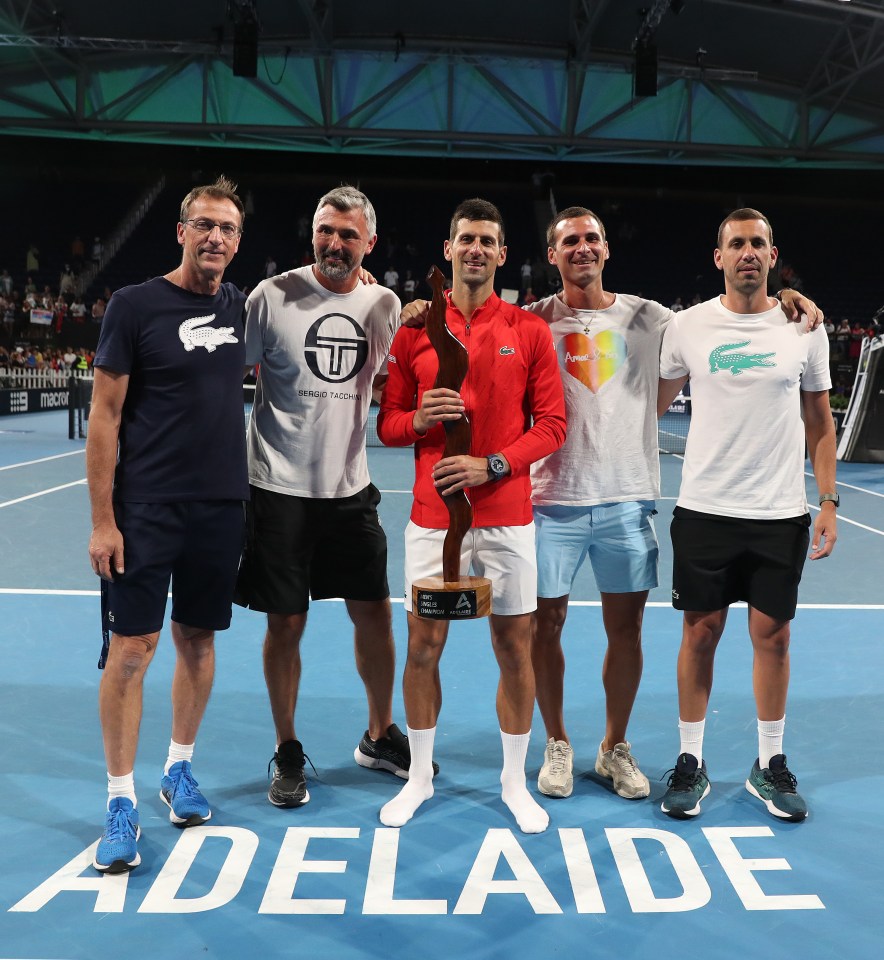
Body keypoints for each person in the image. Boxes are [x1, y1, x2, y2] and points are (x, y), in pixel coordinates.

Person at [527, 206, 823, 803]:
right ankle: (557, 741)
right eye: (569, 242)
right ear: (551, 255)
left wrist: (793, 295)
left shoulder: (657, 319)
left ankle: (614, 748)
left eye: (591, 239)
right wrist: (415, 306)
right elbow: (468, 318)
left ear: (607, 248)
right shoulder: (528, 321)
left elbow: (745, 307)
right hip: (549, 499)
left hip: (626, 497)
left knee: (627, 630)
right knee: (543, 627)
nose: (581, 249)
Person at [376, 198, 567, 834]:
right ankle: (422, 776)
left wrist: (495, 466)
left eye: (488, 240)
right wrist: (420, 421)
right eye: (466, 240)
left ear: (503, 254)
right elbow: (389, 422)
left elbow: (553, 425)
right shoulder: (414, 330)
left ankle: (514, 781)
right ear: (449, 249)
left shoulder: (528, 330)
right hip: (432, 519)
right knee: (423, 648)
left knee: (516, 649)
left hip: (509, 517)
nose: (477, 250)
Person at [86, 176, 248, 873]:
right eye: (205, 225)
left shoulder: (244, 306)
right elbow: (104, 418)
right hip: (146, 510)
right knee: (131, 651)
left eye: (229, 229)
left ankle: (178, 768)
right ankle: (120, 799)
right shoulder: (134, 305)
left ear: (238, 243)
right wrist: (103, 521)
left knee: (199, 641)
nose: (216, 237)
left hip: (220, 508)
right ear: (180, 231)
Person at [657, 207, 837, 822]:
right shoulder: (687, 327)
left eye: (758, 243)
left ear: (772, 253)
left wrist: (829, 500)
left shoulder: (803, 328)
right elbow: (645, 405)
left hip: (779, 511)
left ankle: (769, 763)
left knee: (774, 638)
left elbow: (820, 420)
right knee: (700, 634)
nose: (748, 253)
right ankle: (689, 760)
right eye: (737, 244)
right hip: (705, 509)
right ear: (719, 257)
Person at [235, 186, 409, 809]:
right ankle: (286, 748)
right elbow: (227, 378)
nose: (335, 244)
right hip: (278, 489)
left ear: (369, 242)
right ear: (313, 233)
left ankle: (379, 731)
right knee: (287, 623)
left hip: (350, 490)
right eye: (325, 231)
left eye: (348, 235)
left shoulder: (383, 305)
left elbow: (402, 383)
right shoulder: (271, 297)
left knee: (376, 615)